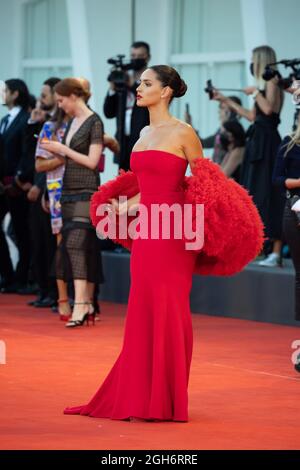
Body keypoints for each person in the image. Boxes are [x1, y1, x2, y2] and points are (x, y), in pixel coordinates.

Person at [63, 65, 263, 421]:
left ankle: (167, 399)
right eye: (140, 82)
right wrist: (124, 205)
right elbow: (149, 190)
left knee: (170, 308)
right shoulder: (142, 134)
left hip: (174, 235)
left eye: (147, 83)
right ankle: (140, 396)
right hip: (147, 234)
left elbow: (204, 186)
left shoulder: (184, 133)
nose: (139, 88)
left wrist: (209, 229)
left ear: (166, 91)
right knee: (143, 310)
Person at [212, 45, 285, 268]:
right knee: (254, 192)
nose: (251, 63)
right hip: (257, 140)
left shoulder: (272, 80)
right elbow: (254, 115)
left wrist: (254, 92)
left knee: (268, 194)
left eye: (254, 59)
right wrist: (226, 100)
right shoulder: (263, 85)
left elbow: (270, 110)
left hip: (267, 142)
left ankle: (274, 251)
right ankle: (259, 247)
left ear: (262, 60)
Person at [40, 78, 104, 327]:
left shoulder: (94, 121)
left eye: (61, 100)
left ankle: (80, 304)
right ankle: (85, 303)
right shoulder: (71, 123)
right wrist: (57, 150)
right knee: (73, 246)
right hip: (67, 190)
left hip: (87, 190)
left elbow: (92, 161)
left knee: (76, 244)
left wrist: (63, 150)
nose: (60, 105)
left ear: (73, 96)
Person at [0, 79, 31, 293]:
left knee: (22, 231)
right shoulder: (4, 120)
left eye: (5, 91)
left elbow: (26, 151)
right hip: (2, 184)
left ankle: (22, 277)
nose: (2, 95)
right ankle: (8, 274)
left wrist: (19, 179)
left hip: (17, 184)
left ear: (16, 94)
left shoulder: (26, 118)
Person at [103, 41, 150, 170]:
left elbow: (151, 103)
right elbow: (108, 112)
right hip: (123, 144)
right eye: (133, 56)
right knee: (123, 185)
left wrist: (133, 85)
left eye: (139, 55)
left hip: (144, 142)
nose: (135, 59)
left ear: (148, 57)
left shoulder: (152, 81)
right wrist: (112, 88)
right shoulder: (123, 81)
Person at [185, 96, 243, 165]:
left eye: (222, 108)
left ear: (231, 112)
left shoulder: (234, 131)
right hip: (220, 172)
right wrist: (190, 124)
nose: (219, 111)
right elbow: (202, 143)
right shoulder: (220, 131)